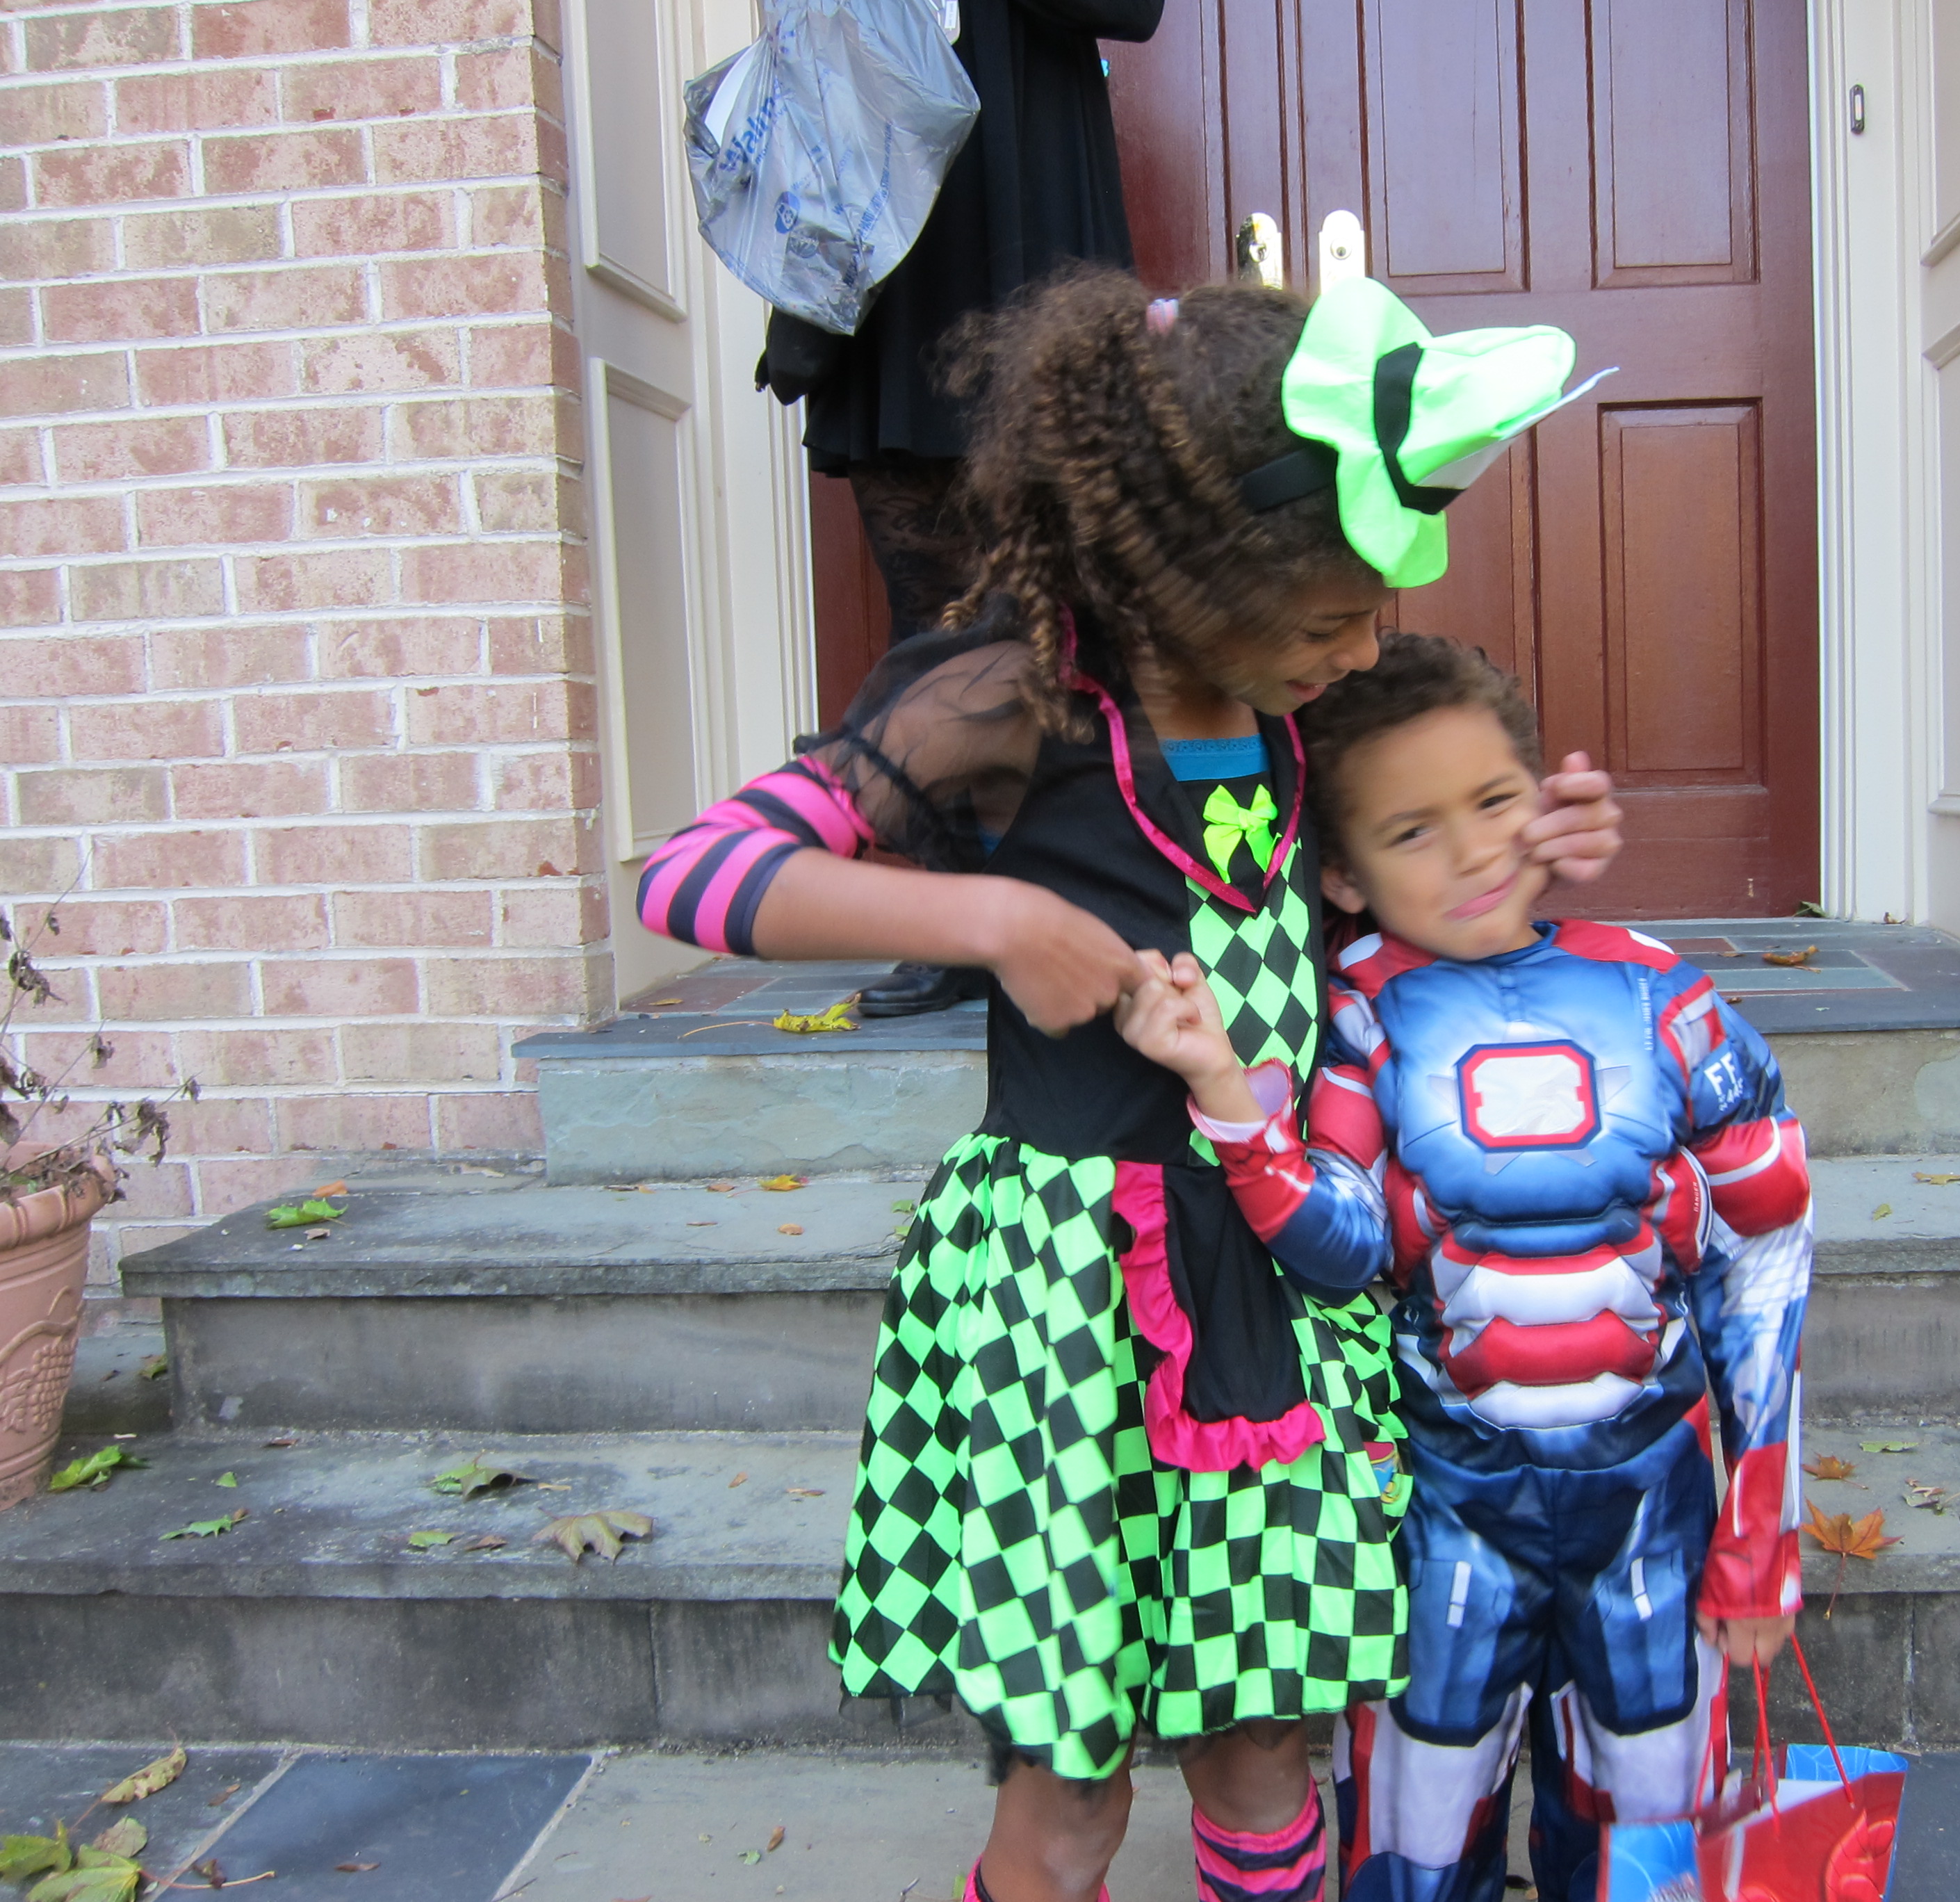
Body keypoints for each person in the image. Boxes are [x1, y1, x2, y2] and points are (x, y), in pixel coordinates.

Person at [640, 270, 1623, 1902]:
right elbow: (692, 875)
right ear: (1190, 574)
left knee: (1264, 1744)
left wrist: (1524, 856)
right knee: (1074, 1783)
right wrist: (991, 920)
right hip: (1078, 1311)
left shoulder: (1306, 712)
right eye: (1326, 619)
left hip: (1280, 1279)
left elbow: (1408, 870)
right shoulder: (1009, 701)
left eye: (1373, 612)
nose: (1362, 646)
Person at [1113, 632, 1813, 1902]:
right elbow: (1342, 1248)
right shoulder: (1358, 1020)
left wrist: (1761, 1534)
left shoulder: (1670, 1002)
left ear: (1546, 801)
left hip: (1650, 1506)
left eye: (1496, 801)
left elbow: (1761, 1262)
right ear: (1343, 871)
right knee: (1418, 1838)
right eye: (1412, 831)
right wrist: (1226, 1092)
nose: (1475, 852)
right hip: (1444, 1505)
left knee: (1651, 1837)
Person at [761, 0, 1163, 1021]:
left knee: (1075, 612)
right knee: (932, 624)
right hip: (885, 219)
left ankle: (1095, 898)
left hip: (1028, 196)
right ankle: (958, 920)